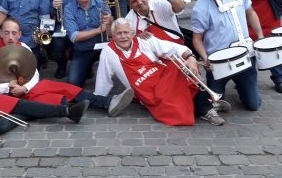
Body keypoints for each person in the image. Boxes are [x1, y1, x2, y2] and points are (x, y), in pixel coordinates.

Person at [0, 18, 134, 116]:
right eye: (6, 33)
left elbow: (35, 74)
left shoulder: (23, 46)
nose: (10, 37)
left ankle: (108, 102)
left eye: (14, 33)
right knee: (53, 99)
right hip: (8, 95)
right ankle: (79, 108)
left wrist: (24, 88)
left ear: (19, 35)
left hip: (27, 88)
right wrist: (7, 88)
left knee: (66, 88)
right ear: (1, 34)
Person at [94, 19, 226, 126]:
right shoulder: (108, 52)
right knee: (177, 108)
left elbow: (173, 48)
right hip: (149, 94)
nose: (123, 37)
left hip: (163, 80)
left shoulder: (143, 41)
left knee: (181, 67)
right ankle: (206, 105)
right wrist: (98, 99)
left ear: (132, 33)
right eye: (119, 33)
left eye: (126, 32)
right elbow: (103, 79)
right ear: (113, 35)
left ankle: (207, 110)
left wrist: (190, 57)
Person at [192, 0, 264, 110]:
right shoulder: (200, 6)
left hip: (245, 56)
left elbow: (250, 12)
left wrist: (260, 36)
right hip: (219, 63)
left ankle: (245, 89)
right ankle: (228, 88)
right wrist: (205, 59)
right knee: (215, 105)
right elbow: (197, 38)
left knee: (253, 105)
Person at [46, 0, 99, 79]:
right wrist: (53, 6)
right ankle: (61, 65)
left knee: (88, 42)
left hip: (82, 22)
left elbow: (97, 2)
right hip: (62, 23)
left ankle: (87, 65)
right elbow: (47, 12)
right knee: (57, 45)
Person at [63, 0, 113, 88]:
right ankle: (88, 68)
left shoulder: (102, 5)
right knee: (74, 83)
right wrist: (98, 30)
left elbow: (109, 34)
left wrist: (110, 22)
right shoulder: (69, 8)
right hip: (83, 49)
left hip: (102, 48)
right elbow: (74, 36)